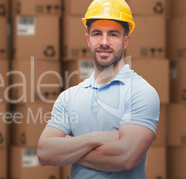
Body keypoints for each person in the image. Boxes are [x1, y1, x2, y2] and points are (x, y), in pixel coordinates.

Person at [37, 0, 160, 178]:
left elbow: (126, 157)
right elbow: (44, 153)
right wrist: (96, 138)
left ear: (126, 40)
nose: (104, 42)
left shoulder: (141, 92)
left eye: (113, 34)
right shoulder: (69, 97)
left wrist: (69, 150)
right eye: (97, 34)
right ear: (88, 40)